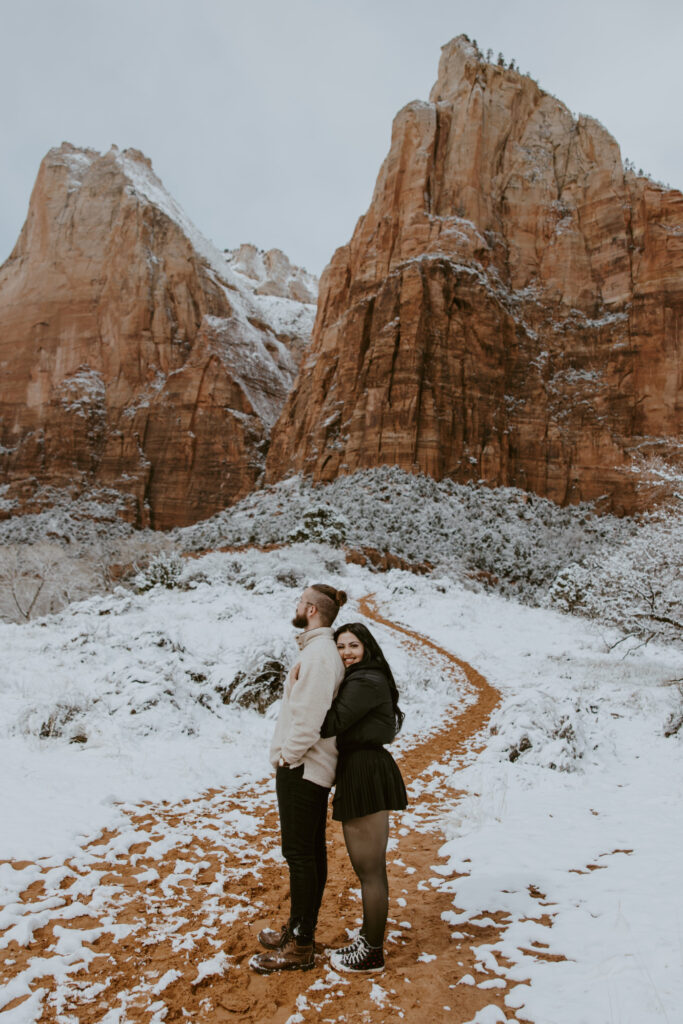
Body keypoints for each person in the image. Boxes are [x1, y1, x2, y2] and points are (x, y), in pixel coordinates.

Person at [249, 583, 346, 974]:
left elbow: (308, 719)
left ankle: (301, 946)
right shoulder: (318, 650)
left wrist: (286, 758)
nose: (295, 605)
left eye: (299, 601)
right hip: (306, 767)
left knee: (300, 856)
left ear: (310, 609)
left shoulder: (321, 654)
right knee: (309, 854)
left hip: (303, 768)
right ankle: (298, 931)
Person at [320, 622, 407, 973]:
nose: (346, 653)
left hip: (365, 772)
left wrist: (302, 688)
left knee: (370, 870)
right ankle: (369, 939)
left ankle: (372, 952)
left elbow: (330, 722)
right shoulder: (365, 678)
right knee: (368, 869)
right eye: (340, 647)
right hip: (363, 768)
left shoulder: (365, 680)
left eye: (353, 645)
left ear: (367, 647)